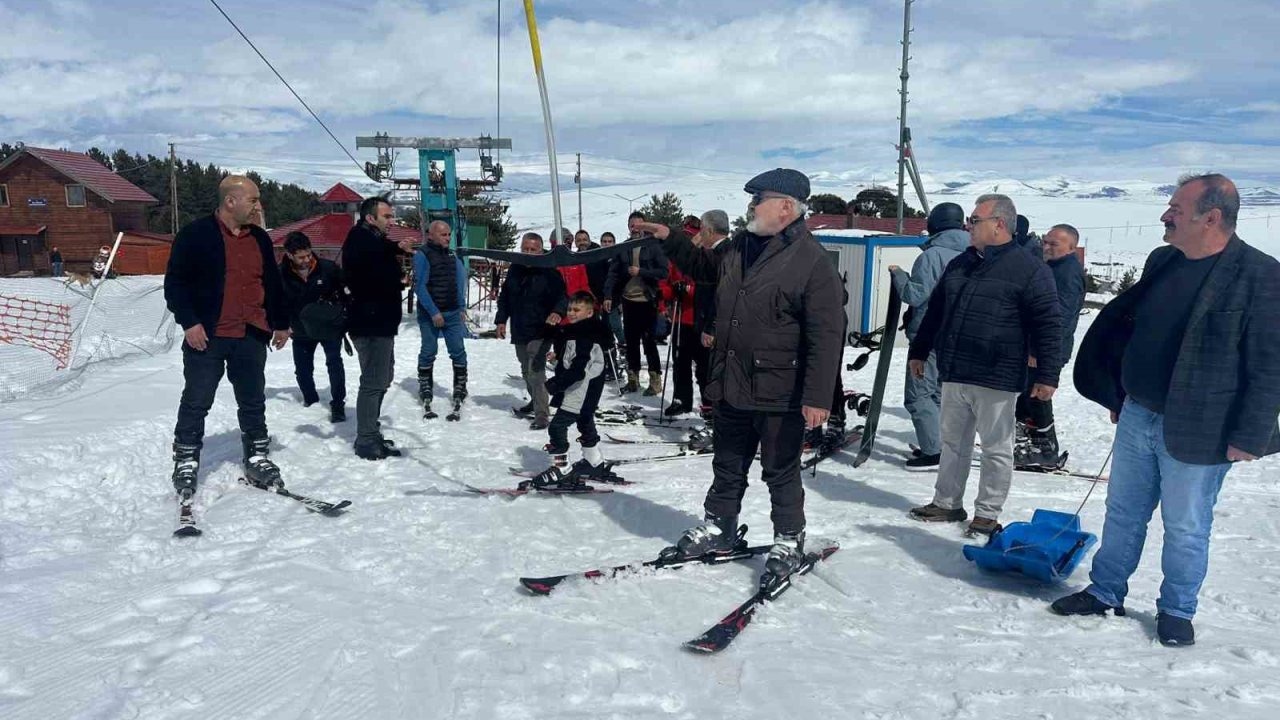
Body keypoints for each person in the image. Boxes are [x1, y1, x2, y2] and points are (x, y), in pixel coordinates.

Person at [1052, 173, 1280, 647]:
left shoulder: (1261, 275)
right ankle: (1105, 591)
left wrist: (1250, 436)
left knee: (1187, 525)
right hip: (1138, 413)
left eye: (1176, 208)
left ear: (1211, 217)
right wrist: (1119, 392)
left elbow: (1268, 364)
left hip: (1204, 429)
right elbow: (1129, 331)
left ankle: (1177, 609)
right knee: (1122, 511)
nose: (1165, 216)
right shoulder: (1164, 260)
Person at [642, 168, 844, 583]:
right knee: (728, 462)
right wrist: (671, 238)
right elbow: (702, 265)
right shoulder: (740, 246)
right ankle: (720, 526)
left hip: (779, 389)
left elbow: (827, 335)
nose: (751, 206)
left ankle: (789, 537)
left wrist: (819, 396)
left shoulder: (812, 261)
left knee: (779, 469)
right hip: (731, 380)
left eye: (758, 199)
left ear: (786, 207)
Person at [907, 193, 1063, 536]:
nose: (968, 226)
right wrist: (919, 350)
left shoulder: (1029, 269)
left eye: (975, 221)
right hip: (956, 371)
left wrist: (1048, 373)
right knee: (952, 443)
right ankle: (947, 503)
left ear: (1000, 225)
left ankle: (987, 514)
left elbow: (1049, 324)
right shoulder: (961, 263)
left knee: (995, 449)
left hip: (997, 375)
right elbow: (936, 311)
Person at [163, 175, 291, 499]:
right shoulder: (194, 236)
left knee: (253, 399)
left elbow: (272, 283)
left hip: (250, 333)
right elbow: (175, 284)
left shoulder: (260, 239)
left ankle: (257, 455)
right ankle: (186, 459)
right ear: (231, 201)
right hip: (207, 334)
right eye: (254, 200)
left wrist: (280, 322)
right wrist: (189, 322)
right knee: (197, 399)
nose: (259, 206)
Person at [888, 202, 970, 469]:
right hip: (958, 336)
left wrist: (899, 275)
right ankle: (939, 444)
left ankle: (934, 452)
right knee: (937, 394)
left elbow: (915, 295)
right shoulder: (975, 252)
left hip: (929, 336)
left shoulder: (932, 255)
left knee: (919, 396)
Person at [525, 291, 626, 489]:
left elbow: (579, 371)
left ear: (589, 313)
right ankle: (594, 462)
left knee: (557, 427)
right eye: (570, 309)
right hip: (584, 391)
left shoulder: (585, 336)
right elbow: (576, 359)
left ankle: (561, 469)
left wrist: (556, 384)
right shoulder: (580, 332)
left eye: (576, 310)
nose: (571, 313)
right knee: (584, 419)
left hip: (579, 390)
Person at [342, 196, 413, 460]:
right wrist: (398, 278)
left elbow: (383, 249)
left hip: (380, 322)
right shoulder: (360, 241)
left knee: (382, 378)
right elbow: (374, 274)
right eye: (387, 217)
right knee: (373, 381)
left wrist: (398, 248)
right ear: (370, 218)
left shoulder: (370, 238)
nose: (391, 221)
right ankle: (366, 439)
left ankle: (371, 430)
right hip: (370, 323)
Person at [1015, 223, 1085, 467]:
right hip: (1039, 345)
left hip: (1048, 348)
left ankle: (1045, 450)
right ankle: (1030, 444)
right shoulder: (1053, 267)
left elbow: (1062, 316)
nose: (1046, 247)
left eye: (1053, 244)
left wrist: (1038, 349)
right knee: (1026, 393)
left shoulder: (1067, 272)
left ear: (1071, 247)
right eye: (1045, 241)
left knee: (1037, 394)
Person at [495, 232, 567, 430]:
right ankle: (536, 400)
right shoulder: (515, 269)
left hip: (542, 329)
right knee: (525, 368)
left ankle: (542, 413)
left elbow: (563, 297)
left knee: (536, 369)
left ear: (541, 250)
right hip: (520, 327)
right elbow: (505, 297)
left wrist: (557, 312)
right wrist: (501, 320)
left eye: (533, 250)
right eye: (525, 249)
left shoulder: (550, 271)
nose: (528, 253)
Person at [279, 231, 346, 423]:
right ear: (290, 254)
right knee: (302, 369)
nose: (306, 259)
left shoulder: (328, 268)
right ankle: (311, 400)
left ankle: (338, 403)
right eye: (301, 257)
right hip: (300, 329)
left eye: (309, 254)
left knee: (334, 363)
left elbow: (345, 293)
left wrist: (341, 315)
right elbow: (276, 303)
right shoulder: (280, 274)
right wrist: (282, 326)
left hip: (329, 327)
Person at [603, 212, 668, 395]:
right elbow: (613, 274)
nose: (636, 228)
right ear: (628, 226)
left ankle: (655, 380)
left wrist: (641, 272)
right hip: (628, 301)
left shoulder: (653, 246)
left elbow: (663, 272)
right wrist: (608, 295)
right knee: (631, 343)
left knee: (649, 342)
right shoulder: (623, 248)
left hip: (647, 300)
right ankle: (633, 379)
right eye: (633, 225)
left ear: (645, 226)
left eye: (639, 225)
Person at [413, 220, 468, 419]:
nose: (448, 238)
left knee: (457, 349)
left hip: (452, 312)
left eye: (448, 234)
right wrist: (434, 312)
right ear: (432, 235)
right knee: (429, 349)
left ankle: (460, 385)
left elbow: (459, 282)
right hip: (431, 313)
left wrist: (461, 306)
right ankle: (425, 385)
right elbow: (420, 287)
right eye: (443, 235)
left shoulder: (452, 255)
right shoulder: (422, 255)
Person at [598, 231, 626, 349]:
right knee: (604, 327)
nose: (607, 244)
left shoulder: (619, 259)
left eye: (609, 241)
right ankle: (609, 350)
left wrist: (621, 300)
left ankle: (623, 345)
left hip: (615, 299)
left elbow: (622, 281)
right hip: (599, 298)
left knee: (616, 326)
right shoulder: (597, 259)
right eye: (604, 241)